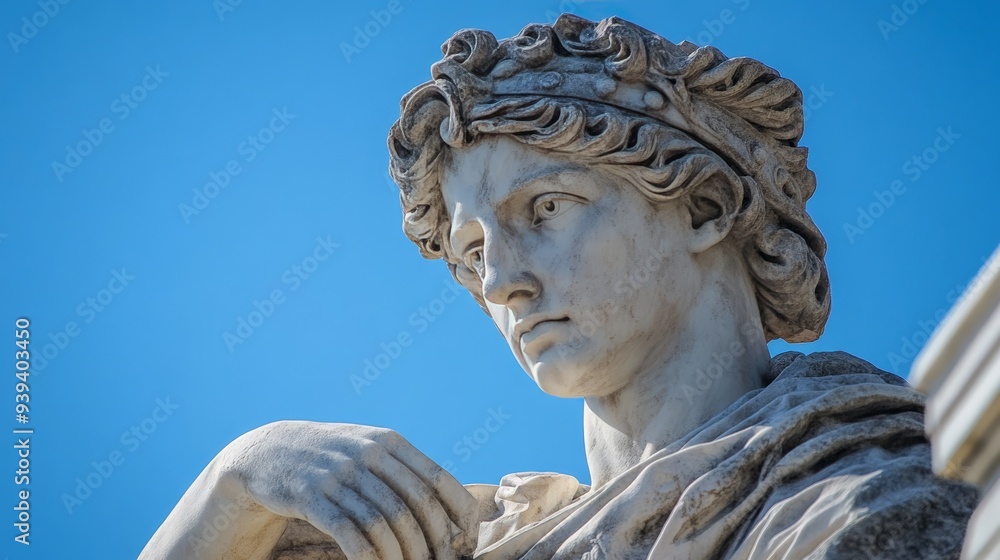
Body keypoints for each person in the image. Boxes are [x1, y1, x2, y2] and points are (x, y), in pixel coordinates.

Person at [140, 14, 977, 560]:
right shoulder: (474, 539)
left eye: (546, 208)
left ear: (706, 205)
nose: (500, 281)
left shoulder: (863, 494)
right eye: (470, 253)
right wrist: (237, 481)